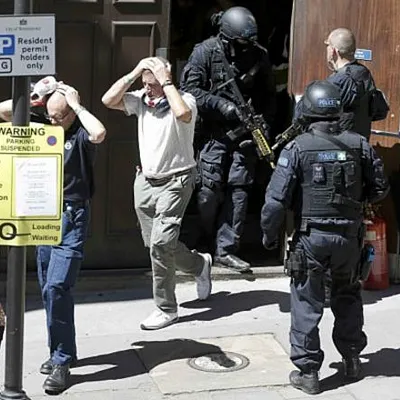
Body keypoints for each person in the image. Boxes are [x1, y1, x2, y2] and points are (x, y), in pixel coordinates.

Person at [260, 80, 389, 395]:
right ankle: (352, 360)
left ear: (306, 110)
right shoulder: (359, 144)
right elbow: (380, 189)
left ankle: (309, 373)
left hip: (311, 239)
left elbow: (275, 202)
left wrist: (268, 235)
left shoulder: (297, 148)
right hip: (349, 238)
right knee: (348, 297)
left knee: (306, 302)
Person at [0, 79, 107, 394]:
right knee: (49, 288)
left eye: (60, 116)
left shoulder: (80, 133)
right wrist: (36, 98)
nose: (54, 121)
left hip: (72, 216)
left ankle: (61, 361)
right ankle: (64, 350)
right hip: (44, 213)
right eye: (50, 116)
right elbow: (3, 112)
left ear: (71, 113)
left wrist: (76, 105)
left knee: (58, 286)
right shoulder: (44, 123)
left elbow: (99, 133)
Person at [102, 56, 212, 331]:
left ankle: (166, 308)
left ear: (166, 80)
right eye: (145, 83)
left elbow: (183, 114)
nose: (147, 89)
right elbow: (108, 100)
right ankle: (199, 265)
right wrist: (135, 72)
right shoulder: (141, 100)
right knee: (157, 244)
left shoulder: (185, 100)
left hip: (176, 180)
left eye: (152, 84)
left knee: (161, 244)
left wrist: (165, 81)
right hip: (145, 181)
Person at [180, 6, 276, 272]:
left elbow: (269, 96)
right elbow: (188, 90)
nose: (244, 49)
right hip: (213, 132)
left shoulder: (259, 55)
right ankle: (204, 239)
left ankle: (226, 249)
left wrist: (263, 126)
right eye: (239, 44)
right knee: (207, 192)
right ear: (226, 38)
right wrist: (220, 105)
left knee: (239, 191)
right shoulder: (205, 52)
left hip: (245, 134)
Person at [325, 28, 389, 141]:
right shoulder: (364, 73)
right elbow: (379, 112)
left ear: (333, 51)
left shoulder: (337, 81)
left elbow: (313, 116)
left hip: (337, 145)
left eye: (328, 45)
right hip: (360, 145)